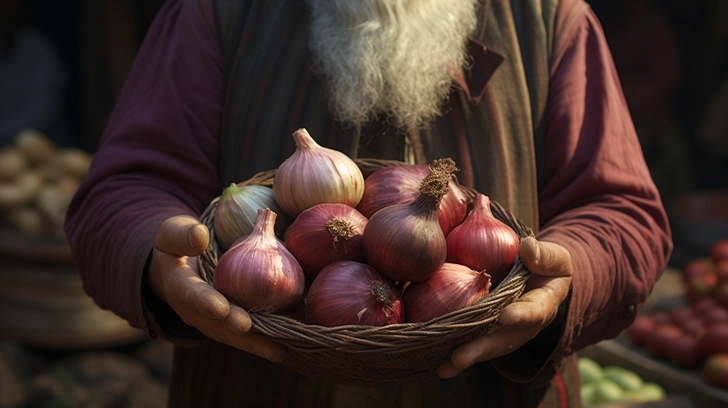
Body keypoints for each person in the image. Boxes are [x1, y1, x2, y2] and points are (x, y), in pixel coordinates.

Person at [65, 0, 672, 406]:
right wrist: (157, 261)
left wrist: (569, 277)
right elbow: (120, 193)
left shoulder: (550, 15)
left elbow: (622, 211)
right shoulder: (216, 10)